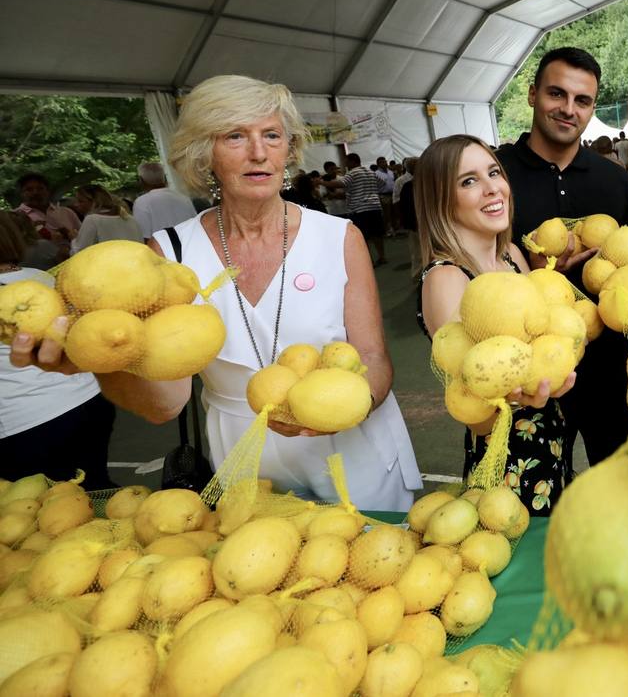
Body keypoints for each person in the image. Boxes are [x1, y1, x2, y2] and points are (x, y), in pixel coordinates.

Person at [10, 75, 421, 510]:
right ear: (205, 154)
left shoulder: (339, 237)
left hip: (352, 445)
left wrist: (354, 406)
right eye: (235, 136)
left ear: (289, 149)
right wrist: (100, 358)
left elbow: (373, 357)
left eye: (272, 135)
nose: (258, 152)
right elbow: (164, 405)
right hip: (247, 460)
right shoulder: (169, 254)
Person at [495, 47, 628, 469]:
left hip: (608, 371)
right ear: (532, 94)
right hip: (525, 374)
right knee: (528, 505)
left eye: (582, 100)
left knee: (617, 493)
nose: (568, 109)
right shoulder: (495, 178)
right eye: (556, 94)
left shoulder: (615, 181)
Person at [414, 135, 575, 514]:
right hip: (505, 457)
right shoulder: (447, 278)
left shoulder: (512, 255)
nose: (492, 189)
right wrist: (514, 394)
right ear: (440, 199)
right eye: (468, 181)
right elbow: (475, 404)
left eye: (494, 173)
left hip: (549, 437)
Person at [0, 212, 117, 490]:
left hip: (27, 421)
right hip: (88, 401)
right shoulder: (41, 278)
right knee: (96, 490)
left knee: (47, 513)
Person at [15, 172, 80, 261]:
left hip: (74, 261)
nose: (35, 192)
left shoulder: (66, 212)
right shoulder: (14, 217)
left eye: (40, 188)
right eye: (29, 190)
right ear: (21, 193)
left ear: (48, 191)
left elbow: (83, 237)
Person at [131, 162, 196, 237]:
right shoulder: (183, 198)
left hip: (160, 247)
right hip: (190, 243)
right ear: (165, 178)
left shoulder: (141, 203)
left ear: (141, 180)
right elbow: (195, 225)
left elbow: (144, 235)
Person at [71, 184, 144, 250]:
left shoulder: (92, 220)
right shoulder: (131, 219)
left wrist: (74, 239)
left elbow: (80, 251)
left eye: (80, 201)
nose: (76, 204)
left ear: (94, 202)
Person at [344, 153, 387, 266]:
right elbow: (383, 183)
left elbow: (341, 183)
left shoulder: (352, 173)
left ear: (352, 161)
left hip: (360, 209)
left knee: (363, 237)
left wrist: (321, 182)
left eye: (347, 161)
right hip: (374, 206)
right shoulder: (370, 172)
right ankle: (382, 256)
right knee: (377, 234)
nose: (346, 164)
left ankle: (369, 260)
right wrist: (371, 191)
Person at [375, 156, 397, 236]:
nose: (385, 163)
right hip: (383, 195)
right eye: (383, 162)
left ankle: (394, 228)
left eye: (385, 161)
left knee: (393, 212)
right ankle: (387, 230)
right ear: (378, 164)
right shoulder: (376, 174)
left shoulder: (390, 172)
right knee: (386, 213)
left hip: (392, 194)